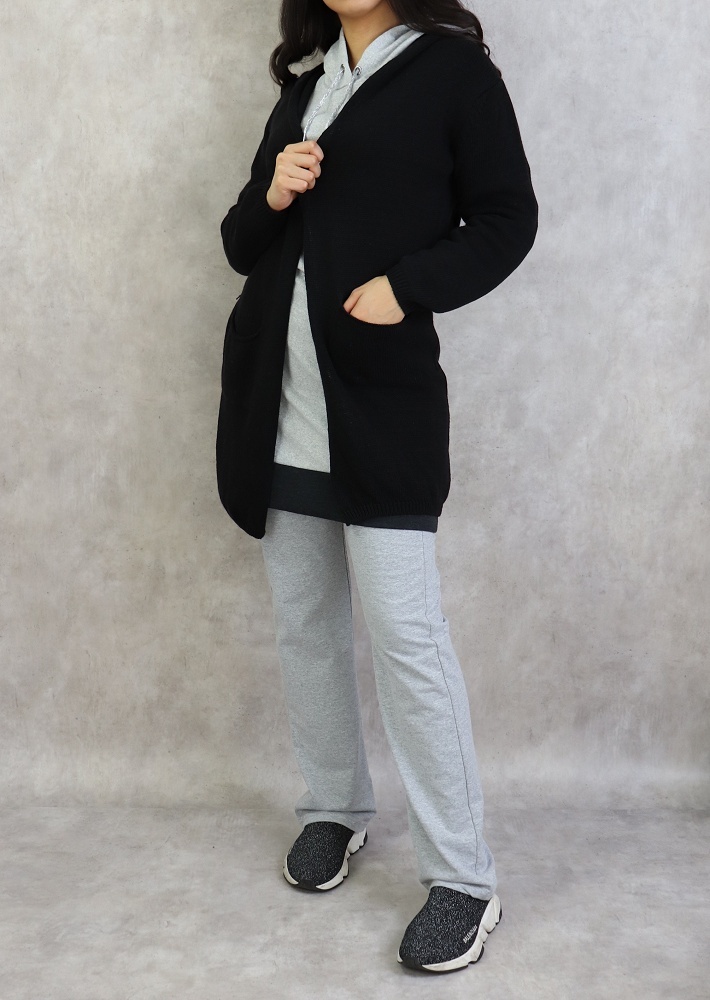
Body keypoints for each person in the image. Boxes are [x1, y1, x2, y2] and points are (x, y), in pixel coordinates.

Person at [217, 0, 537, 974]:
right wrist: (273, 191)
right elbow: (239, 244)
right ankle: (334, 808)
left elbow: (507, 219)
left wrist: (408, 286)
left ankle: (463, 879)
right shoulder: (307, 84)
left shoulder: (454, 74)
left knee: (406, 637)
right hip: (281, 404)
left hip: (379, 411)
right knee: (305, 623)